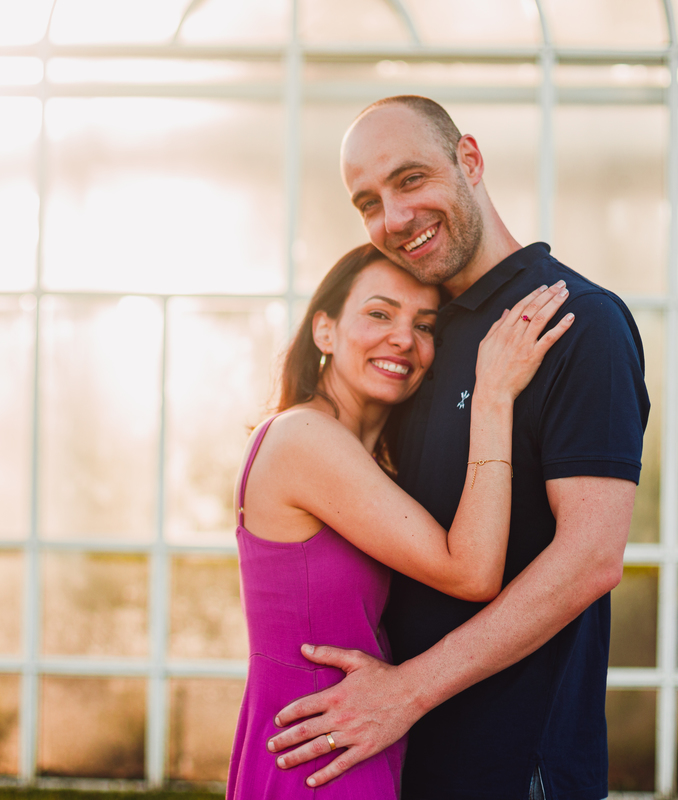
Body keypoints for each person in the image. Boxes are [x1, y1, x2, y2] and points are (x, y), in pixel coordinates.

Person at [266, 96, 650, 800]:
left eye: (410, 180)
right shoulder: (421, 342)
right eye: (368, 203)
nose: (394, 218)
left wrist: (406, 691)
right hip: (402, 756)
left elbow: (591, 557)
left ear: (468, 160)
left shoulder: (576, 322)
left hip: (515, 768)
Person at [227, 242, 575, 799]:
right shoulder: (303, 438)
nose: (403, 339)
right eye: (379, 313)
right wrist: (493, 397)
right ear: (324, 330)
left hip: (351, 738)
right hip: (320, 757)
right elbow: (473, 571)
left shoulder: (372, 462)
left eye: (425, 325)